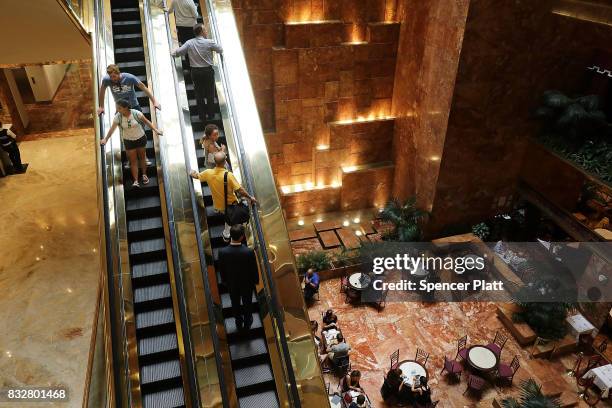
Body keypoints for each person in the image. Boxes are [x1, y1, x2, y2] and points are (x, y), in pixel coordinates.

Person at [190, 151, 257, 240]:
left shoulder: (208, 173)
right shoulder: (229, 175)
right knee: (229, 219)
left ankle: (219, 213)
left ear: (214, 162)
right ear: (225, 162)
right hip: (230, 205)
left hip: (218, 204)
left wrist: (191, 172)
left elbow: (196, 176)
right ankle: (226, 235)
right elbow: (240, 190)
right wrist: (250, 197)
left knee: (222, 211)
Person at [100, 99, 163, 187]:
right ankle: (136, 181)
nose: (117, 110)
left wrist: (156, 130)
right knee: (133, 161)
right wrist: (105, 139)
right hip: (128, 141)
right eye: (117, 108)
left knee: (142, 158)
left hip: (140, 138)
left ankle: (144, 175)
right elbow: (112, 129)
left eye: (119, 108)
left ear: (126, 108)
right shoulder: (118, 117)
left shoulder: (136, 113)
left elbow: (147, 122)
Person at [172, 23, 223, 121]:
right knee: (210, 94)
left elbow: (178, 52)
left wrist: (173, 52)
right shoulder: (209, 42)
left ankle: (202, 116)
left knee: (198, 94)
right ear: (202, 31)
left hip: (195, 72)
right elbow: (220, 50)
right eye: (205, 30)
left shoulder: (189, 43)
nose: (206, 31)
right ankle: (211, 115)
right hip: (207, 71)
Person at [217, 224, 259, 330]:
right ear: (242, 237)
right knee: (247, 303)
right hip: (247, 284)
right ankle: (248, 321)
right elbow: (253, 268)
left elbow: (222, 269)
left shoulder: (222, 252)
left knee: (235, 303)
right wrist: (255, 280)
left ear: (230, 235)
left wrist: (225, 281)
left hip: (232, 283)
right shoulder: (249, 252)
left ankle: (238, 321)